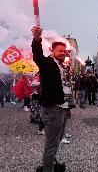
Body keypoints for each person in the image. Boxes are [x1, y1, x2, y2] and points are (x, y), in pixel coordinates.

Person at [31, 26, 68, 172]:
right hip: (52, 109)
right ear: (52, 51)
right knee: (51, 143)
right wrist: (36, 39)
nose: (63, 53)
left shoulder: (60, 66)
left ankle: (50, 165)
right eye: (60, 51)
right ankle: (48, 169)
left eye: (64, 51)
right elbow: (37, 56)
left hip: (60, 107)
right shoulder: (47, 63)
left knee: (54, 142)